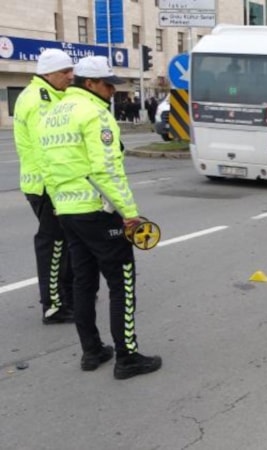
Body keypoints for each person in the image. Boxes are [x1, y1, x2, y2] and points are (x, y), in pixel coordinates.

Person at [40, 56, 162, 379]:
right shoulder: (96, 114)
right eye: (108, 84)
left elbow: (46, 166)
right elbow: (106, 169)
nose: (112, 90)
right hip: (99, 211)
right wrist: (130, 213)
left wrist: (58, 203)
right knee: (121, 282)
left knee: (83, 282)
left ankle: (92, 351)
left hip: (68, 211)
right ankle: (127, 357)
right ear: (89, 83)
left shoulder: (53, 113)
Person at [13, 48, 76, 324]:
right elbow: (46, 148)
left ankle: (68, 294)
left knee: (67, 241)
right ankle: (52, 305)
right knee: (53, 244)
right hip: (45, 185)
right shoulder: (37, 100)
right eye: (65, 72)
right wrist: (55, 190)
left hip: (56, 183)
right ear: (48, 73)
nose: (70, 76)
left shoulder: (52, 94)